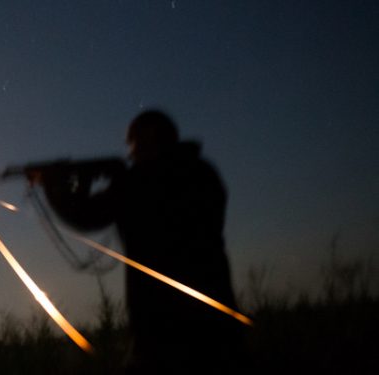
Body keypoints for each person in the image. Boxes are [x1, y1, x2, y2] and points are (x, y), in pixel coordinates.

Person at [34, 110, 245, 373]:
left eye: (133, 144)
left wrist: (54, 187)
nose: (131, 153)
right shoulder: (203, 173)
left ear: (149, 139)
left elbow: (85, 215)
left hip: (161, 331)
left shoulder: (141, 180)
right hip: (218, 323)